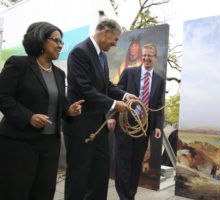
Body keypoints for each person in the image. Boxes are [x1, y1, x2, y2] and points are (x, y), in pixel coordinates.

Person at [0, 22, 84, 200]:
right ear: (41, 40)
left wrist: (69, 111)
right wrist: (28, 117)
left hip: (50, 146)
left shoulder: (59, 74)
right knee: (16, 192)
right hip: (19, 145)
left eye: (62, 41)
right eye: (56, 40)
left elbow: (59, 105)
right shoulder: (18, 64)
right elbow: (3, 97)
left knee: (44, 193)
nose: (60, 45)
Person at [63, 19, 136, 200]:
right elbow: (85, 89)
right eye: (116, 39)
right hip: (80, 126)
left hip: (99, 125)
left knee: (100, 174)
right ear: (105, 31)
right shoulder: (80, 52)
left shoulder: (102, 56)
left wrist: (125, 95)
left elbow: (106, 85)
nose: (115, 43)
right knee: (79, 175)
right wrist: (113, 104)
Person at [107, 43, 165, 200]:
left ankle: (130, 195)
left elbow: (159, 106)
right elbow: (116, 93)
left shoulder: (159, 80)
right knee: (123, 162)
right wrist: (112, 116)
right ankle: (124, 197)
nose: (146, 58)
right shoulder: (129, 73)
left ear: (155, 57)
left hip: (143, 127)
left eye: (149, 55)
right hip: (125, 124)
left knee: (136, 163)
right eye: (144, 55)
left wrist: (158, 127)